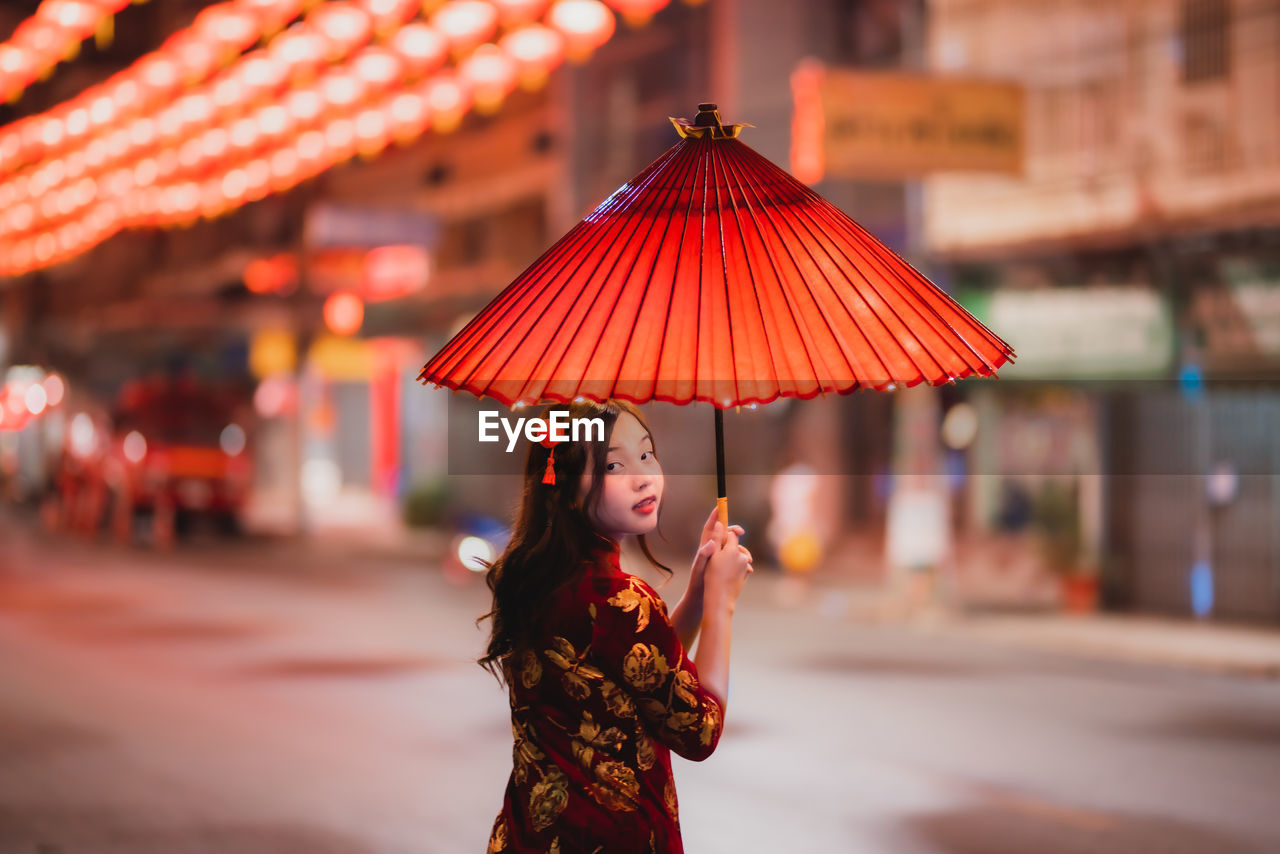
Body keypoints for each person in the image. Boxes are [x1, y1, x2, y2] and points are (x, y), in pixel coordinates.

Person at [480, 399, 753, 853]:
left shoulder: (538, 578)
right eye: (613, 464)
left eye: (647, 454)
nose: (643, 476)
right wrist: (721, 606)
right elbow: (699, 730)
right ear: (566, 489)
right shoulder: (620, 600)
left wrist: (699, 594)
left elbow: (637, 675)